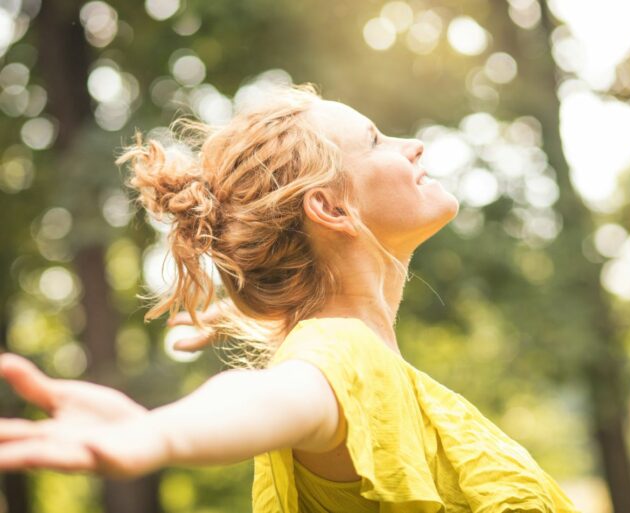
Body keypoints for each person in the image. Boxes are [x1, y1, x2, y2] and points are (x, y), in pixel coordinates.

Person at [0, 84, 580, 512]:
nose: (415, 146)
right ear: (330, 208)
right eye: (375, 140)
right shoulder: (339, 352)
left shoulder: (364, 364)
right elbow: (274, 395)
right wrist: (160, 432)